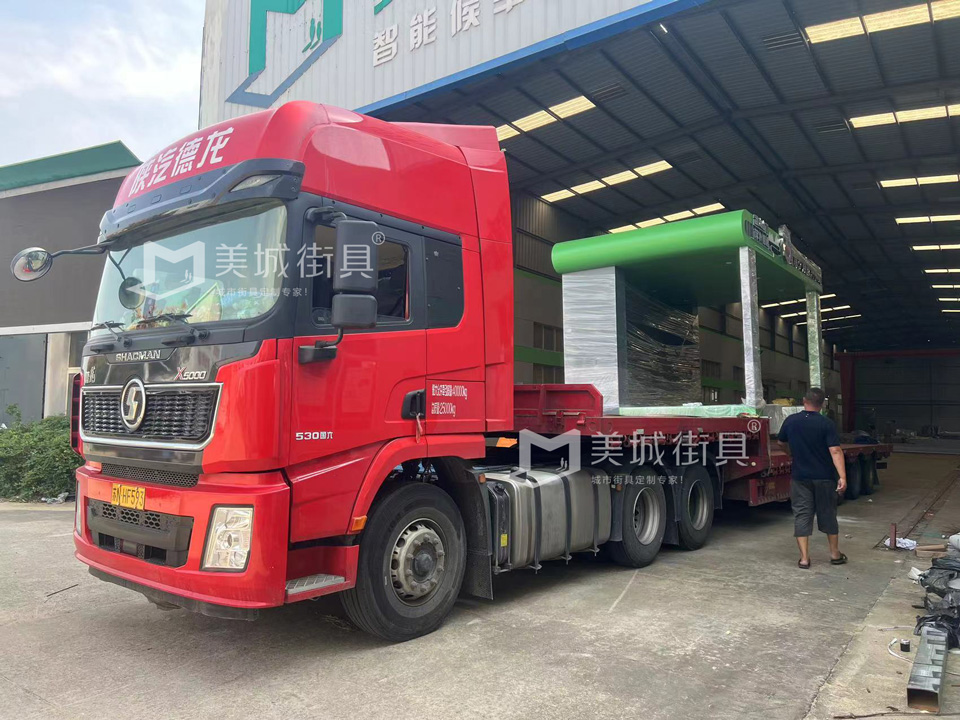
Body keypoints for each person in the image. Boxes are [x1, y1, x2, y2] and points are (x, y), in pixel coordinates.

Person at [777, 388, 848, 569]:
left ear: (804, 401)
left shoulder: (791, 421)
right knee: (828, 513)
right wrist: (842, 476)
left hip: (800, 477)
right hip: (824, 478)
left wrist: (790, 453)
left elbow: (780, 442)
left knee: (802, 514)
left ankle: (804, 559)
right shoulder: (827, 424)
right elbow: (835, 450)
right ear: (822, 404)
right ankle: (835, 554)